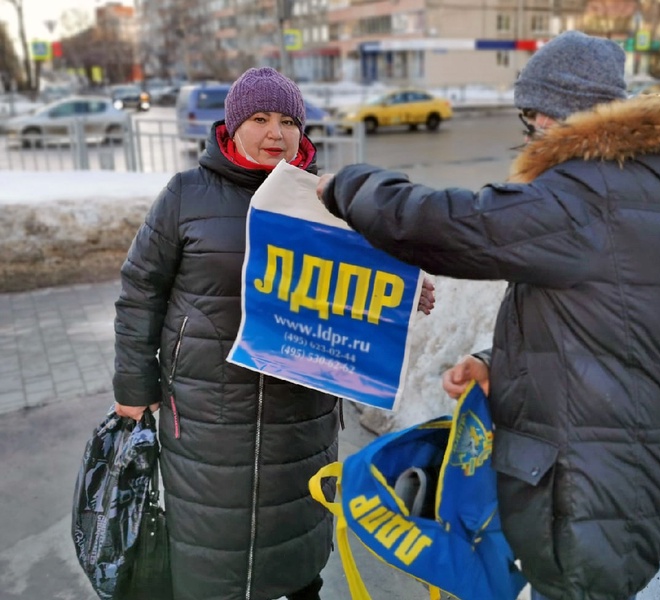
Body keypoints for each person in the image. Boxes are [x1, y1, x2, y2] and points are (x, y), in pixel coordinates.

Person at [315, 31, 660, 600]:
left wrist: (350, 186)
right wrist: (497, 365)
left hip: (589, 498)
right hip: (605, 483)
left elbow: (453, 225)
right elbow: (592, 334)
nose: (528, 133)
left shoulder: (588, 200)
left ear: (561, 117)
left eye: (531, 117)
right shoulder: (623, 195)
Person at [112, 66, 433, 600]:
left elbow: (362, 283)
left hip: (299, 416)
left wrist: (404, 292)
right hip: (204, 414)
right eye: (259, 118)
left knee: (295, 546)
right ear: (232, 126)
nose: (275, 134)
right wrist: (132, 390)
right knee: (208, 552)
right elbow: (139, 292)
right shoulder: (186, 196)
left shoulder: (328, 202)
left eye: (288, 121)